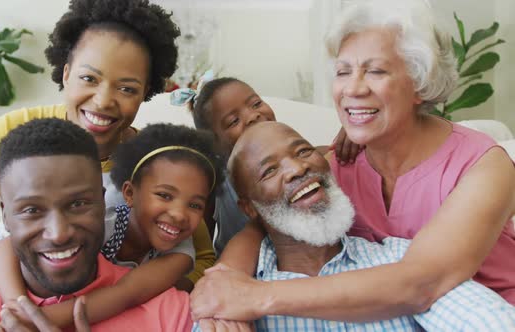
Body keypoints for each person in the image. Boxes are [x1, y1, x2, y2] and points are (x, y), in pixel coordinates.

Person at [190, 0, 515, 323]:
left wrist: (254, 297)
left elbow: (421, 284)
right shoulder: (333, 164)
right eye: (343, 71)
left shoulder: (485, 165)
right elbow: (264, 220)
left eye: (375, 71)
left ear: (419, 82)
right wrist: (225, 281)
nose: (353, 88)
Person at [0, 0, 214, 330]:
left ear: (146, 92)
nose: (104, 100)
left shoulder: (153, 159)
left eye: (127, 88)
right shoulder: (18, 135)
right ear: (65, 73)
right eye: (89, 78)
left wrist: (134, 305)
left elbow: (200, 254)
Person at [194, 121, 515, 331]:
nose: (297, 168)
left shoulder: (403, 260)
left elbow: (487, 322)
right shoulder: (226, 296)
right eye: (269, 171)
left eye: (303, 151)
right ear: (250, 207)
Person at [0, 119, 193, 332]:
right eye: (32, 210)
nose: (59, 233)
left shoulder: (172, 313)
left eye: (78, 204)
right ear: (6, 217)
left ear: (102, 203)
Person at [0, 123, 223, 326]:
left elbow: (127, 294)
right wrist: (16, 307)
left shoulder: (180, 255)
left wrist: (39, 320)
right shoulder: (100, 222)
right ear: (129, 193)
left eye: (195, 205)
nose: (179, 214)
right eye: (164, 195)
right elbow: (6, 246)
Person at [172, 74, 362, 255]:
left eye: (256, 104)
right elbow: (201, 242)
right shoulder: (213, 181)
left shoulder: (301, 162)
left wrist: (353, 134)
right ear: (214, 145)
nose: (253, 116)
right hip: (246, 269)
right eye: (233, 121)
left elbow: (329, 154)